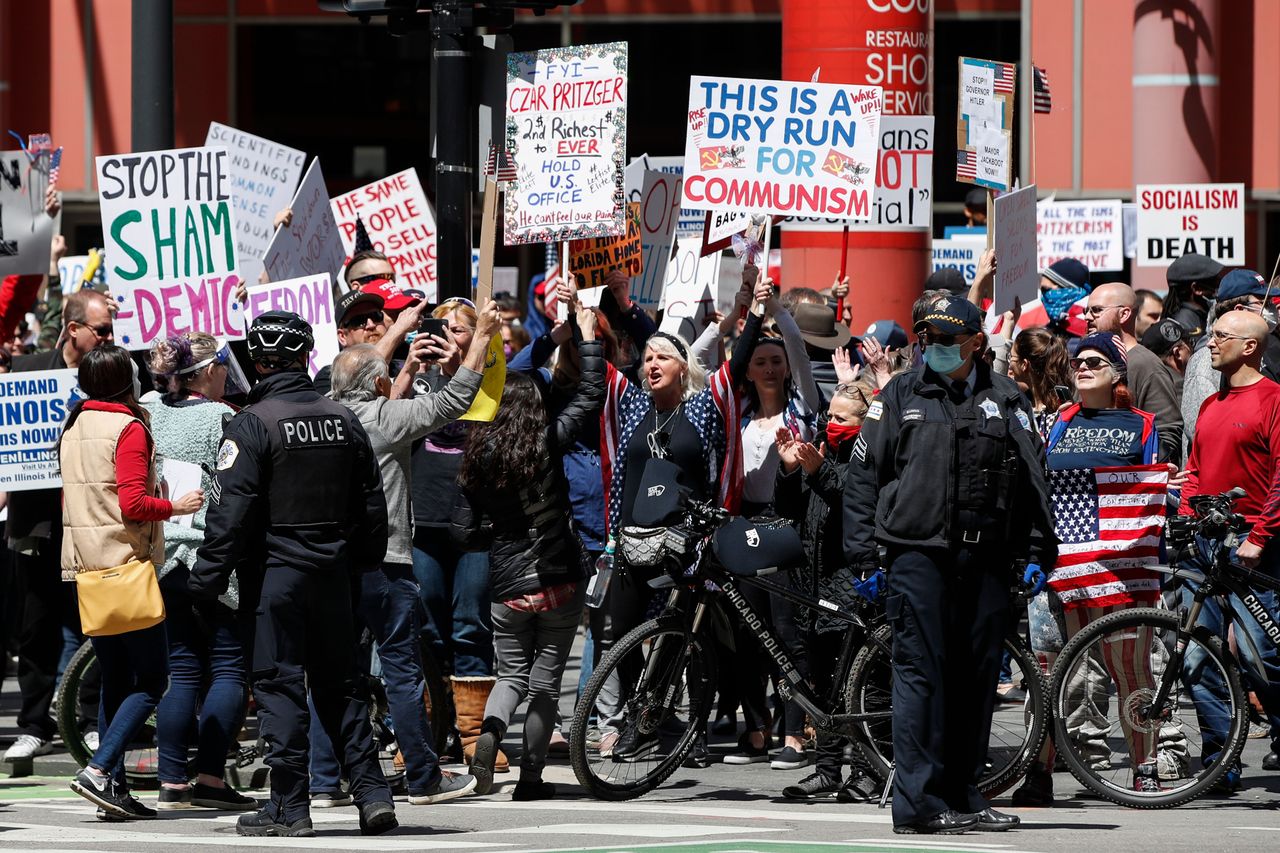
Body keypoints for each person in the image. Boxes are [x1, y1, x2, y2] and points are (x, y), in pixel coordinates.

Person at [843, 295, 1057, 835]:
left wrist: (1036, 549)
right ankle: (918, 805)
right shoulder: (898, 393)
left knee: (976, 681)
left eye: (945, 340)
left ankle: (965, 795)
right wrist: (865, 554)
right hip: (917, 556)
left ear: (976, 344)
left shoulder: (1007, 398)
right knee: (921, 678)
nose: (933, 348)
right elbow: (863, 478)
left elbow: (1033, 480)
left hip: (984, 558)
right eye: (926, 339)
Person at [188, 311, 396, 838]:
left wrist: (204, 584)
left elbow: (229, 515)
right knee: (342, 686)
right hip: (334, 575)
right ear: (306, 357)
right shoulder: (343, 418)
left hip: (276, 576)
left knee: (280, 686)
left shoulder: (252, 423)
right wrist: (363, 563)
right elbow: (372, 505)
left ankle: (288, 805)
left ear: (257, 361)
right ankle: (372, 796)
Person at [312, 299, 501, 808]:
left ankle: (323, 781)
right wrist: (481, 336)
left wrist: (404, 354)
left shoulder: (322, 418)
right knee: (400, 669)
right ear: (379, 385)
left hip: (328, 565)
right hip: (388, 561)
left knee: (332, 671)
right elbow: (456, 399)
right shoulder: (385, 419)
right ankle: (423, 777)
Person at [601, 273, 768, 761]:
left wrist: (753, 312)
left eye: (662, 357)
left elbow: (737, 362)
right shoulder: (631, 405)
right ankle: (643, 717)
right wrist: (593, 307)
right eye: (647, 357)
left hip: (689, 543)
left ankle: (688, 728)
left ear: (683, 366)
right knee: (623, 639)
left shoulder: (704, 406)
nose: (651, 364)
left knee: (690, 639)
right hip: (633, 541)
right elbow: (600, 360)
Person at [453, 298, 604, 800]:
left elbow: (464, 529)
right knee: (544, 683)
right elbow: (590, 394)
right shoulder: (548, 439)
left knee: (511, 675)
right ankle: (531, 778)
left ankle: (490, 732)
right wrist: (585, 336)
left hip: (507, 583)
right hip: (557, 577)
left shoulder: (478, 456)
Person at [1012, 333, 1170, 804]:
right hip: (1064, 569)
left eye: (1095, 361)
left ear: (1118, 373)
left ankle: (1145, 768)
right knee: (1051, 676)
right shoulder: (1057, 422)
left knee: (1132, 674)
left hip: (1124, 573)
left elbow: (1150, 491)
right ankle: (1039, 773)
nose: (1082, 367)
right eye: (1078, 360)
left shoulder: (1142, 424)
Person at [62, 345, 205, 819]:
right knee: (153, 679)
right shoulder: (128, 427)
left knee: (115, 681)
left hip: (89, 567)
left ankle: (113, 793)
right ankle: (100, 771)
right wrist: (176, 506)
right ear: (127, 380)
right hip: (125, 565)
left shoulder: (76, 423)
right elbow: (133, 505)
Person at [142, 333, 255, 811]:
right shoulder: (222, 417)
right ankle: (209, 776)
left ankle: (172, 779)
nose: (228, 372)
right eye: (224, 364)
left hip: (163, 555)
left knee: (182, 668)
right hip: (211, 556)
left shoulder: (148, 407)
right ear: (208, 372)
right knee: (229, 666)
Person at [3, 289, 114, 765]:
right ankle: (33, 723)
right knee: (37, 623)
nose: (110, 337)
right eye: (101, 330)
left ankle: (89, 717)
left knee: (95, 620)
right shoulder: (28, 371)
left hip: (90, 519)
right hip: (39, 520)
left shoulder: (111, 373)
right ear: (73, 330)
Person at [1178, 310, 1280, 791]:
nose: (1210, 343)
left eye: (1220, 336)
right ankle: (1221, 760)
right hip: (1204, 540)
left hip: (1250, 544)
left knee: (1264, 655)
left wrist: (1261, 535)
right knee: (1199, 656)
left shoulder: (1273, 399)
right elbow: (1195, 468)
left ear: (1250, 347)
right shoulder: (1210, 404)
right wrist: (1184, 515)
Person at [409, 297, 505, 769]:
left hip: (475, 523)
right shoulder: (415, 379)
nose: (448, 335)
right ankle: (428, 733)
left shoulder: (492, 382)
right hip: (423, 520)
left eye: (459, 329)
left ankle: (472, 737)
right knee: (426, 627)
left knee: (470, 624)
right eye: (440, 327)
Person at [775, 379, 881, 801]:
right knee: (822, 685)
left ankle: (867, 769)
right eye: (829, 416)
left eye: (841, 417)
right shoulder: (818, 450)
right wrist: (788, 469)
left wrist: (819, 471)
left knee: (858, 684)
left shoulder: (869, 451)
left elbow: (855, 497)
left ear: (860, 420)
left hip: (850, 584)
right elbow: (786, 509)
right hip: (811, 585)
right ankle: (827, 768)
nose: (832, 423)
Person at [1084, 283, 1183, 462]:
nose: (1087, 316)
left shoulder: (1146, 364)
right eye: (1087, 310)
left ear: (1124, 314)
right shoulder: (1085, 363)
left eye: (1096, 310)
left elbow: (1167, 435)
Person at [1008, 329, 1074, 440]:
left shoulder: (1063, 413)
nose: (1009, 365)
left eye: (1011, 358)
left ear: (1024, 364)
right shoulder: (1019, 405)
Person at [1162, 253, 1224, 339]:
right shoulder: (1185, 323)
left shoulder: (1202, 314)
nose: (1220, 283)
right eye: (1215, 281)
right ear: (1197, 288)